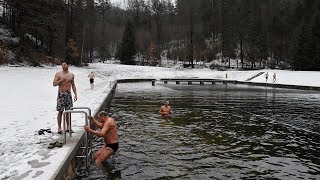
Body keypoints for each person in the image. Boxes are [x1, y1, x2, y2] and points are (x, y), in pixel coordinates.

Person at [53, 61, 78, 134]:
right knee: (60, 111)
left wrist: (75, 94)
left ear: (68, 65)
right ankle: (59, 128)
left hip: (68, 94)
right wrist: (61, 80)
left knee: (68, 112)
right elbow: (54, 84)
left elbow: (73, 85)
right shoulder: (58, 74)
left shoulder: (71, 75)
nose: (63, 66)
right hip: (61, 94)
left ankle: (68, 127)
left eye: (65, 65)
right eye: (62, 65)